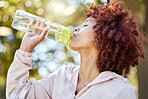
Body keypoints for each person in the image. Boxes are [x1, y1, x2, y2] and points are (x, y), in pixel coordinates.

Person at [6, 0, 145, 99]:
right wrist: (25, 50)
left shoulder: (121, 90)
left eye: (86, 25)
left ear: (104, 36)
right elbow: (17, 95)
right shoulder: (61, 78)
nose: (76, 28)